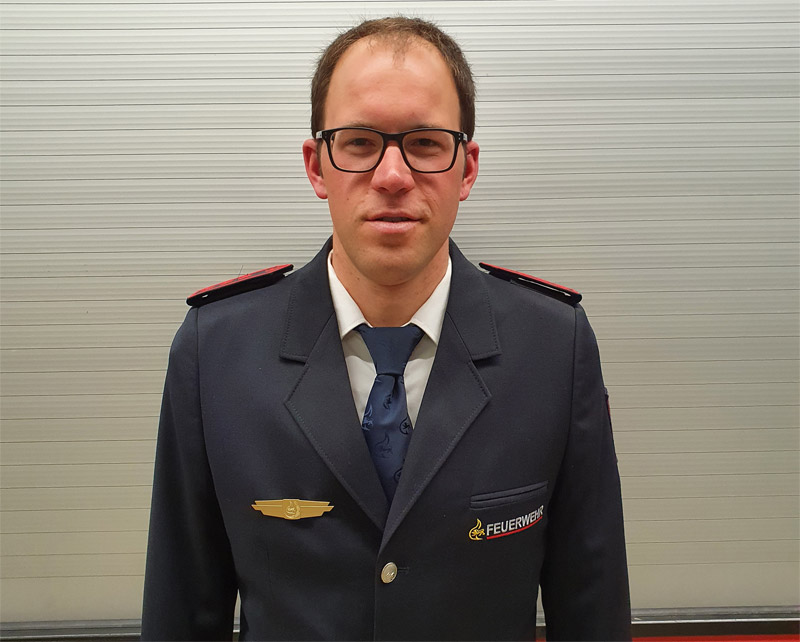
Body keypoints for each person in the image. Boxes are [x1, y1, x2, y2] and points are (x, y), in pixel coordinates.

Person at [141, 16, 631, 641]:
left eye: (425, 143)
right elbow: (182, 610)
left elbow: (592, 609)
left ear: (467, 168)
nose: (393, 175)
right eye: (359, 142)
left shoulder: (553, 349)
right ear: (317, 166)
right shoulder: (216, 352)